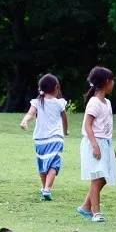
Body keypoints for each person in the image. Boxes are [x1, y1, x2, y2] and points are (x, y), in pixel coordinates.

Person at [19, 73, 69, 201]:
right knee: (54, 164)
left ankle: (45, 187)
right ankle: (47, 188)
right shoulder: (59, 103)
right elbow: (64, 119)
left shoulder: (37, 102)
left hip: (40, 139)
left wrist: (24, 121)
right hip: (56, 138)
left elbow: (30, 114)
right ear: (56, 87)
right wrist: (65, 131)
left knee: (42, 164)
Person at [79, 66, 116, 223]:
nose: (114, 83)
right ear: (107, 82)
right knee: (97, 178)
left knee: (104, 178)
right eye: (112, 80)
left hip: (105, 143)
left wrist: (111, 149)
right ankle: (96, 213)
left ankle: (85, 207)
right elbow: (88, 125)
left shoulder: (107, 102)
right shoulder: (94, 102)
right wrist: (95, 145)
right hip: (94, 143)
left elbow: (106, 129)